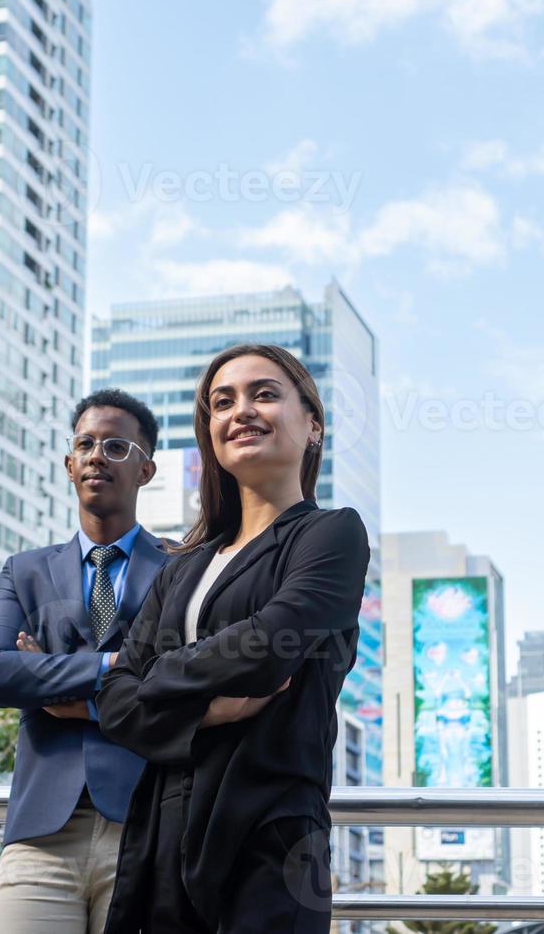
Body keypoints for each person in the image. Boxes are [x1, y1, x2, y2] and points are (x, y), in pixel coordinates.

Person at [95, 343, 371, 933]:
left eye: (264, 394)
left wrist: (160, 673)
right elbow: (115, 700)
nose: (240, 411)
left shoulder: (331, 535)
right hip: (163, 837)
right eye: (222, 403)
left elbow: (272, 645)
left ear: (312, 424)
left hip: (271, 833)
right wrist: (205, 714)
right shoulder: (183, 567)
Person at [0, 389, 170, 934]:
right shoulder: (25, 571)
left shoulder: (182, 568)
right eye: (84, 444)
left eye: (115, 445)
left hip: (147, 830)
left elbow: (183, 688)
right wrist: (113, 670)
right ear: (68, 463)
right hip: (40, 836)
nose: (96, 455)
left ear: (145, 469)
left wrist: (62, 690)